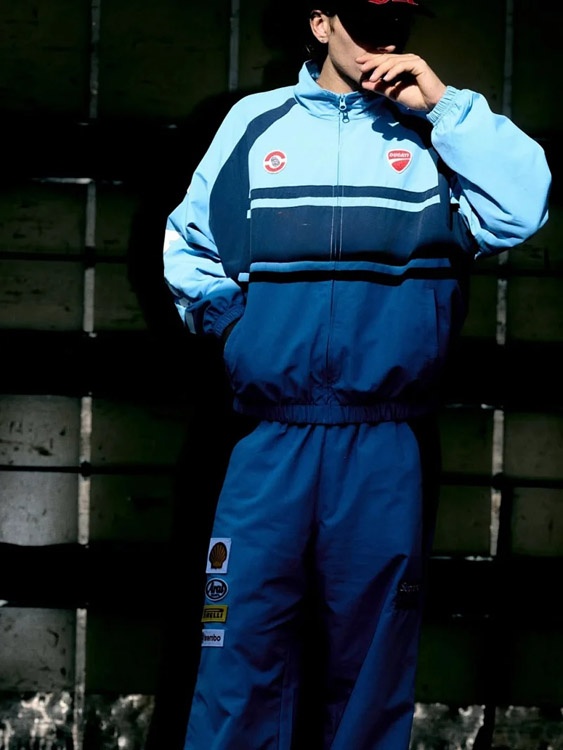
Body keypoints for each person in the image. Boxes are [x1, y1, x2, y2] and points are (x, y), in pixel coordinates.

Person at [162, 1, 552, 748]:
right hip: (270, 440)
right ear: (321, 25)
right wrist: (239, 334)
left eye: (398, 21)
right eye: (366, 21)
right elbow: (190, 247)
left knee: (372, 671)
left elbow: (521, 208)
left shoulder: (438, 134)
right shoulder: (255, 123)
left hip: (384, 442)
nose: (384, 39)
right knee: (236, 654)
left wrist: (444, 107)